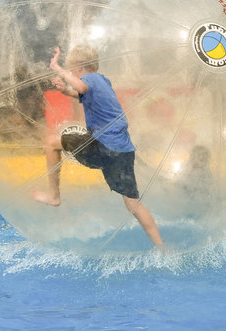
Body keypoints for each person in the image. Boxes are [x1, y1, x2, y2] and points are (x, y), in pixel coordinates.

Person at [32, 45, 163, 247]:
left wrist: (58, 69)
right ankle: (160, 246)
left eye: (73, 70)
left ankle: (53, 195)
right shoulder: (103, 80)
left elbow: (83, 87)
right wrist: (67, 92)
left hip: (102, 145)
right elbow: (85, 93)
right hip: (123, 150)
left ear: (79, 68)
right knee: (132, 204)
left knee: (51, 143)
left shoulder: (89, 79)